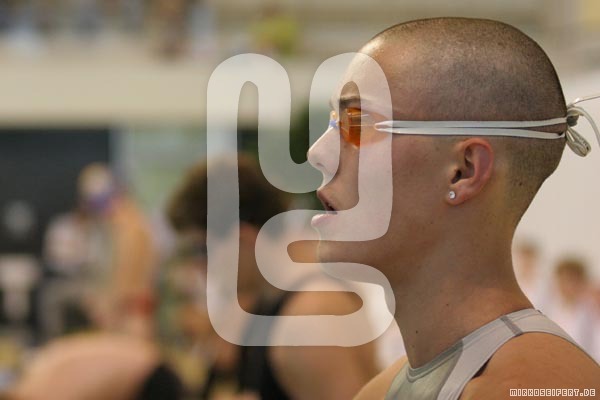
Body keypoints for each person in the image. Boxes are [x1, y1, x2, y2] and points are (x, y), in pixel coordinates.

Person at [305, 17, 600, 399]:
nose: (317, 153)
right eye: (334, 122)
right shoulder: (381, 390)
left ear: (464, 171)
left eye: (357, 123)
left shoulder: (534, 386)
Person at [167, 154, 378, 400]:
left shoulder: (309, 320)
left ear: (242, 239)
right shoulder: (271, 299)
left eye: (200, 250)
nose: (197, 267)